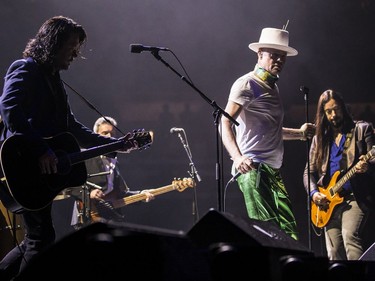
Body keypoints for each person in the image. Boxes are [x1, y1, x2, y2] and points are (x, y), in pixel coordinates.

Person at [0, 16, 151, 280]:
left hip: (41, 173)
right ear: (53, 43)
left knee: (36, 238)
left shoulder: (54, 80)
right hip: (21, 165)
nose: (75, 54)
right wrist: (40, 150)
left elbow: (72, 127)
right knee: (40, 238)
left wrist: (116, 144)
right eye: (71, 46)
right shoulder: (24, 68)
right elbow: (9, 108)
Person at [220, 27, 315, 240]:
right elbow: (224, 121)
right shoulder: (247, 83)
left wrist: (300, 134)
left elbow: (270, 131)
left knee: (289, 236)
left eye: (283, 56)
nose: (280, 60)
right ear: (259, 54)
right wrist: (237, 157)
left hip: (273, 171)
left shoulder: (272, 87)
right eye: (274, 55)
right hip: (253, 169)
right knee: (268, 233)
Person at [303, 89, 375, 260]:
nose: (333, 115)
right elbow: (309, 172)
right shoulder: (319, 139)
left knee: (350, 236)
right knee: (333, 252)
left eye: (336, 109)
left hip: (354, 196)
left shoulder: (361, 129)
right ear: (323, 113)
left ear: (343, 108)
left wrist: (367, 166)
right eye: (328, 111)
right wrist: (314, 194)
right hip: (328, 201)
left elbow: (373, 157)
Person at [70, 116, 155, 228]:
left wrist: (141, 195)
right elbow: (69, 185)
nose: (109, 136)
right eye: (105, 133)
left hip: (109, 218)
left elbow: (119, 194)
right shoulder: (86, 157)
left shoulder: (114, 162)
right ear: (95, 135)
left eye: (112, 134)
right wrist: (88, 193)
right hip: (87, 216)